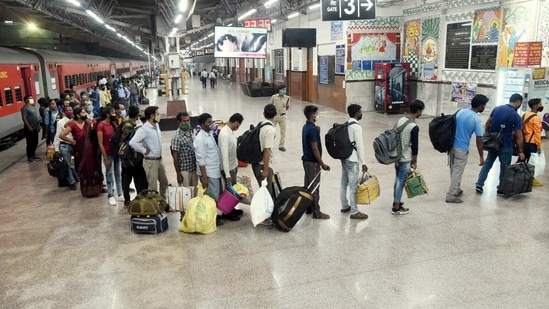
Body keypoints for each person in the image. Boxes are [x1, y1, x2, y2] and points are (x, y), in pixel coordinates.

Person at [475, 93, 525, 194]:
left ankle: (479, 184)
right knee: (505, 167)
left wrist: (488, 134)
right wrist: (521, 151)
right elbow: (519, 135)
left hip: (493, 143)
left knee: (488, 163)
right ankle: (501, 188)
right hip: (506, 145)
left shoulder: (497, 108)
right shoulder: (516, 116)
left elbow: (488, 122)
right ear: (518, 102)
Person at [446, 95, 488, 203]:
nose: (484, 107)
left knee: (454, 169)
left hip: (451, 145)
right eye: (484, 105)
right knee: (458, 172)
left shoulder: (461, 112)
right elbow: (479, 140)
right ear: (480, 106)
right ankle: (451, 195)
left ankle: (457, 189)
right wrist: (481, 156)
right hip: (462, 148)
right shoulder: (477, 119)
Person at [129, 106, 170, 204]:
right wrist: (143, 150)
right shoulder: (144, 129)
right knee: (153, 187)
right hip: (150, 161)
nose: (159, 116)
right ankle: (154, 206)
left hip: (159, 159)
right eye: (157, 114)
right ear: (152, 116)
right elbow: (132, 142)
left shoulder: (156, 126)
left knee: (164, 182)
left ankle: (162, 202)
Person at [59, 107, 104, 197]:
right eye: (83, 113)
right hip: (80, 151)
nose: (85, 114)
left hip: (91, 150)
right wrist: (71, 141)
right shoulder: (72, 124)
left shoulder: (87, 122)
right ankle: (87, 191)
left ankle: (98, 188)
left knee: (94, 168)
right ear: (78, 115)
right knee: (85, 170)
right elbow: (62, 134)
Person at [392, 99, 425, 215]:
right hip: (405, 158)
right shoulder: (413, 126)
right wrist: (414, 161)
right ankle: (396, 206)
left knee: (397, 179)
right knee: (401, 181)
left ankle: (396, 201)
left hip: (396, 156)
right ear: (418, 111)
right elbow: (415, 147)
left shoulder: (401, 120)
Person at [339, 104, 369, 220]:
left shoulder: (346, 124)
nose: (361, 113)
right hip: (352, 160)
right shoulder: (356, 127)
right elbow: (360, 146)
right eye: (360, 111)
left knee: (343, 183)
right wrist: (364, 162)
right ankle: (355, 211)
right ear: (357, 113)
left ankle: (344, 205)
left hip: (345, 158)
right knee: (353, 187)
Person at [301, 105, 330, 219]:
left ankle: (308, 207)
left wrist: (317, 132)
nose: (318, 115)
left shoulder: (307, 127)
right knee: (314, 187)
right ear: (312, 115)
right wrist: (322, 164)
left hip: (306, 160)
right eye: (316, 113)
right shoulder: (312, 129)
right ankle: (316, 212)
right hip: (313, 161)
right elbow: (314, 148)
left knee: (308, 185)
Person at [120, 106, 148, 208]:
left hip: (128, 156)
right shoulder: (130, 126)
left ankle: (131, 200)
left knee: (129, 178)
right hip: (131, 157)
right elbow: (128, 141)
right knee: (131, 178)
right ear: (137, 115)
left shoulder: (128, 123)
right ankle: (128, 201)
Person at [97, 106, 123, 206]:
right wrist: (106, 157)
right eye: (112, 112)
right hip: (108, 153)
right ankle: (110, 194)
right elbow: (100, 143)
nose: (114, 114)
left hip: (115, 153)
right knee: (109, 173)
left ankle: (120, 193)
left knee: (118, 172)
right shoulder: (101, 126)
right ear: (108, 114)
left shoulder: (114, 124)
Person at [252, 104, 277, 199]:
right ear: (275, 114)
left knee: (264, 192)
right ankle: (266, 214)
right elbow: (267, 151)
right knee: (267, 195)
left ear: (263, 113)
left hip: (256, 163)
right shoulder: (270, 129)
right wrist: (266, 169)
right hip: (262, 165)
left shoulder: (261, 124)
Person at [171, 112, 199, 188]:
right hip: (185, 170)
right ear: (179, 122)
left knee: (195, 192)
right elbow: (175, 157)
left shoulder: (190, 131)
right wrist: (178, 173)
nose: (187, 123)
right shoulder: (177, 137)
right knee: (187, 193)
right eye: (184, 121)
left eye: (188, 120)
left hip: (194, 168)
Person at [53, 105, 78, 190]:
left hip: (74, 146)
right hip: (65, 146)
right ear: (63, 112)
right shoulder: (60, 122)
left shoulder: (76, 121)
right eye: (67, 110)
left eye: (71, 109)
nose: (70, 111)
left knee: (73, 163)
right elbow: (57, 136)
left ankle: (75, 177)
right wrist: (56, 149)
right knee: (68, 164)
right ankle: (72, 182)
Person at [522, 98, 544, 186]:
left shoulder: (525, 114)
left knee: (523, 160)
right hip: (532, 142)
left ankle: (520, 176)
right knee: (532, 162)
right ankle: (531, 179)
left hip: (524, 141)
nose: (541, 106)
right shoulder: (536, 118)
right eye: (539, 104)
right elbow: (537, 133)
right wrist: (538, 145)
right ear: (535, 106)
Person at [218, 113, 244, 185]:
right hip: (229, 169)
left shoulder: (230, 131)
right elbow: (224, 155)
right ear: (235, 123)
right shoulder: (225, 135)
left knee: (234, 187)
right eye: (238, 125)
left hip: (233, 165)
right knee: (231, 192)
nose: (238, 127)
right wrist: (227, 174)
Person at [21, 95, 41, 164]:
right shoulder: (24, 108)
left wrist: (38, 126)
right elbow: (24, 118)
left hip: (35, 127)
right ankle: (30, 157)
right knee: (30, 143)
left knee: (35, 142)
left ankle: (33, 154)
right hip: (29, 128)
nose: (32, 99)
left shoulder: (32, 107)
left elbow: (35, 118)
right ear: (26, 100)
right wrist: (28, 127)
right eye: (30, 98)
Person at [270, 84, 290, 151]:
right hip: (274, 117)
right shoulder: (274, 97)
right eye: (283, 89)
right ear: (279, 90)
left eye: (285, 89)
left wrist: (282, 112)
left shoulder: (287, 98)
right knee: (271, 131)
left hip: (283, 116)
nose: (284, 91)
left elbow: (287, 107)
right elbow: (270, 106)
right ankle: (270, 145)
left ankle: (281, 145)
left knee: (283, 132)